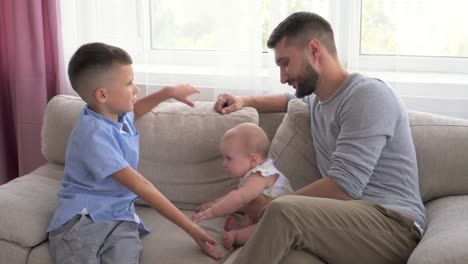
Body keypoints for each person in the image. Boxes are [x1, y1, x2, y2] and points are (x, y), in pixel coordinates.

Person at [214, 12, 426, 264]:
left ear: (314, 49)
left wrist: (272, 206)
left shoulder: (367, 95)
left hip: (392, 226)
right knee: (280, 213)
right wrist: (245, 100)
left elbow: (344, 186)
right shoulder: (318, 99)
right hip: (348, 219)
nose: (282, 76)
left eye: (285, 63)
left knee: (282, 212)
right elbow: (287, 99)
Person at [47, 42, 222, 263]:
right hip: (83, 220)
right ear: (102, 95)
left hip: (120, 217)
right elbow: (141, 186)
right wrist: (191, 228)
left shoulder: (116, 116)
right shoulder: (93, 136)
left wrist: (168, 92)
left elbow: (137, 109)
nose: (136, 89)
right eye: (129, 83)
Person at [191, 122, 293, 250]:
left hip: (283, 221)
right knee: (250, 210)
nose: (224, 164)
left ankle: (238, 235)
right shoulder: (252, 175)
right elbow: (237, 196)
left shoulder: (261, 175)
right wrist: (214, 202)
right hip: (263, 214)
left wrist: (211, 212)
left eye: (228, 158)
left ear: (253, 160)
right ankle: (243, 227)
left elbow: (239, 198)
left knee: (266, 227)